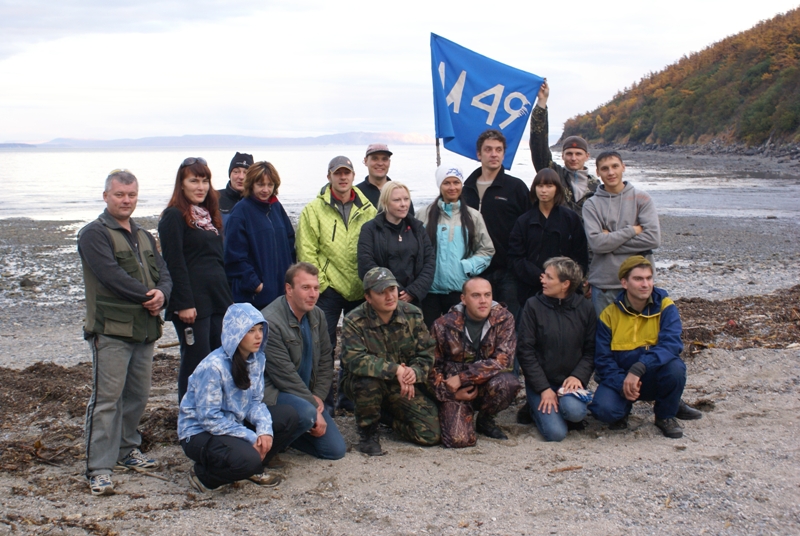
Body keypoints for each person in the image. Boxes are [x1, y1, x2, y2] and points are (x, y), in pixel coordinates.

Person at [78, 169, 172, 496]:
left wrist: (163, 294)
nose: (126, 200)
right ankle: (99, 468)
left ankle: (126, 449)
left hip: (144, 330)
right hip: (111, 331)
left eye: (131, 195)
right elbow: (110, 276)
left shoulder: (144, 235)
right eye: (119, 195)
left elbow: (164, 273)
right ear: (106, 196)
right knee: (107, 400)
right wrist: (149, 296)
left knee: (137, 396)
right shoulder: (93, 234)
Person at [178, 303, 300, 492]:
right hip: (199, 433)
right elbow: (209, 418)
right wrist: (251, 437)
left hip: (233, 423)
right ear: (235, 332)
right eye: (250, 331)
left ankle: (252, 466)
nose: (258, 336)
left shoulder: (257, 359)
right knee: (247, 459)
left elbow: (254, 402)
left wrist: (264, 431)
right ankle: (203, 476)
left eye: (260, 329)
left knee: (288, 416)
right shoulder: (213, 367)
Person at [588, 256, 702, 438]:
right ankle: (623, 410)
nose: (645, 284)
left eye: (649, 278)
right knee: (604, 411)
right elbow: (603, 359)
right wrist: (622, 383)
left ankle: (665, 415)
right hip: (623, 378)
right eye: (638, 279)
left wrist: (640, 367)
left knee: (675, 369)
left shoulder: (665, 306)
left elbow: (671, 345)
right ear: (624, 283)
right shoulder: (609, 315)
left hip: (652, 374)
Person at [296, 155, 377, 409]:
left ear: (353, 176)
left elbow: (375, 247)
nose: (342, 177)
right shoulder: (313, 210)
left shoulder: (369, 210)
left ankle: (348, 399)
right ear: (329, 176)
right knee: (323, 347)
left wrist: (369, 284)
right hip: (328, 290)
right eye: (337, 173)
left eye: (346, 173)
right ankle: (324, 402)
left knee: (356, 347)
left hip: (359, 289)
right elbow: (306, 251)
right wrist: (321, 284)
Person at [340, 267, 441, 455]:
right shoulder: (354, 320)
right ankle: (368, 433)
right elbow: (354, 359)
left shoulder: (412, 314)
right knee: (367, 382)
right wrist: (396, 370)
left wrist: (413, 372)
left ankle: (384, 417)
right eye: (381, 292)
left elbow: (426, 353)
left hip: (400, 385)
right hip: (366, 384)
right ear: (368, 297)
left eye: (392, 289)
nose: (389, 297)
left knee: (430, 434)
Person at [159, 157, 233, 401]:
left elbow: (216, 261)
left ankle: (213, 411)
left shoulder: (208, 216)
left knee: (219, 360)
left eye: (205, 181)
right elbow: (174, 262)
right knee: (196, 362)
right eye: (194, 181)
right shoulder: (173, 216)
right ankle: (189, 415)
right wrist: (183, 303)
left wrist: (227, 300)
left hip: (217, 300)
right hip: (192, 304)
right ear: (181, 184)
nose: (201, 187)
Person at [261, 263, 347, 460]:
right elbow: (285, 376)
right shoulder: (271, 322)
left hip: (306, 396)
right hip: (275, 394)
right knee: (308, 414)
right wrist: (312, 405)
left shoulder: (317, 315)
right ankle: (270, 447)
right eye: (306, 288)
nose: (313, 294)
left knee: (335, 450)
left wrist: (318, 396)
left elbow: (326, 359)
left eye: (316, 288)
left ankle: (290, 435)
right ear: (289, 289)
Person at [430, 277, 520, 448]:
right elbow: (431, 368)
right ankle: (459, 414)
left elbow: (503, 361)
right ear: (463, 299)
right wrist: (449, 393)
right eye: (476, 295)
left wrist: (463, 378)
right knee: (459, 440)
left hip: (486, 384)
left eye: (487, 295)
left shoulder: (504, 319)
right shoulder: (443, 325)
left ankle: (486, 420)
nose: (483, 300)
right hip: (455, 390)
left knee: (508, 383)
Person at [516, 257, 596, 441]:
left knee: (574, 413)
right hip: (541, 383)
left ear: (565, 284)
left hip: (570, 383)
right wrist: (543, 388)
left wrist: (578, 376)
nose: (542, 280)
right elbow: (525, 351)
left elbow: (591, 350)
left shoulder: (586, 308)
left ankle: (561, 407)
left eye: (549, 277)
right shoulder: (533, 305)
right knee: (556, 433)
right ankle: (533, 407)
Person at [462, 129, 531, 319]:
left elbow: (530, 228)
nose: (494, 154)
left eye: (498, 150)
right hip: (474, 270)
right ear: (479, 154)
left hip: (508, 270)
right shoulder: (465, 190)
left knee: (508, 323)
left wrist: (521, 264)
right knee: (476, 323)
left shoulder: (516, 187)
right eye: (488, 149)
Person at [582, 151, 661, 316]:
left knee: (640, 331)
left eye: (615, 166)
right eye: (605, 168)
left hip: (639, 282)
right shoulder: (591, 204)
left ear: (623, 167)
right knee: (605, 332)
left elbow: (653, 239)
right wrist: (632, 230)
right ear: (598, 172)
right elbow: (597, 244)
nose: (610, 172)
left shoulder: (642, 199)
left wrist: (609, 241)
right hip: (604, 285)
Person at [417, 164, 495, 328]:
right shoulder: (423, 214)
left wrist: (467, 267)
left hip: (459, 290)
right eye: (447, 183)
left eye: (456, 182)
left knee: (457, 337)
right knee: (428, 336)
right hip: (428, 291)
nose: (452, 187)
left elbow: (487, 250)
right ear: (440, 185)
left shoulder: (473, 216)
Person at [508, 168, 588, 306]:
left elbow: (580, 255)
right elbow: (515, 257)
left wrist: (563, 279)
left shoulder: (570, 218)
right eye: (540, 186)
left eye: (549, 186)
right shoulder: (524, 221)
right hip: (531, 289)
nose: (544, 190)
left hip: (565, 289)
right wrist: (539, 276)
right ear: (534, 188)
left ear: (557, 189)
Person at [224, 161, 296, 310]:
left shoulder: (276, 207)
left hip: (282, 295)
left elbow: (290, 243)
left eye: (270, 185)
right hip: (254, 298)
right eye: (260, 184)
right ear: (251, 184)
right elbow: (234, 257)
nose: (265, 190)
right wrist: (255, 285)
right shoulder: (241, 211)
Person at [358, 181, 435, 308]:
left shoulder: (417, 228)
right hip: (382, 299)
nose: (403, 204)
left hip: (413, 301)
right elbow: (365, 263)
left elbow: (429, 262)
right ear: (385, 202)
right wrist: (394, 291)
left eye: (406, 199)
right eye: (397, 200)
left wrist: (413, 291)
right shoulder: (370, 229)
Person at [529, 81, 600, 216]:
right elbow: (538, 146)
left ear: (587, 156)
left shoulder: (597, 186)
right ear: (562, 156)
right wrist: (542, 103)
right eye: (569, 154)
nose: (573, 158)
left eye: (578, 154)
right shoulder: (554, 175)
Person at [355, 143, 415, 217]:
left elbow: (411, 221)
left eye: (384, 159)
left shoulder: (400, 192)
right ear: (366, 161)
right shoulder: (356, 193)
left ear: (389, 162)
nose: (380, 163)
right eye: (375, 158)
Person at [218, 152, 254, 224]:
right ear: (230, 174)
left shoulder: (257, 201)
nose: (241, 177)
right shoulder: (215, 197)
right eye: (236, 172)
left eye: (246, 173)